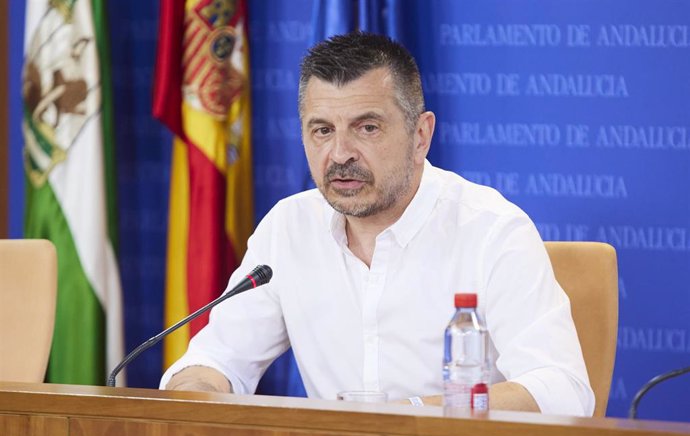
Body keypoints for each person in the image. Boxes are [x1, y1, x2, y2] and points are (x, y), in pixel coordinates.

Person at [160, 32, 594, 416]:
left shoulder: (492, 231)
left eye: (367, 128)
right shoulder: (288, 228)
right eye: (322, 130)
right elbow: (216, 361)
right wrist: (195, 391)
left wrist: (409, 415)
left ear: (421, 135)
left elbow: (561, 390)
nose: (340, 153)